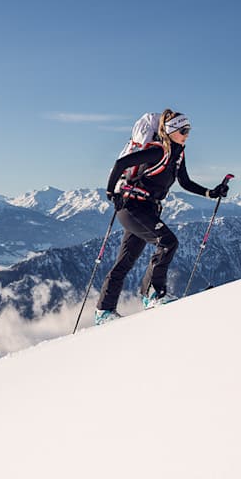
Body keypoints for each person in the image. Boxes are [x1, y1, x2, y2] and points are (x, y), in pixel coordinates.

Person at [94, 109, 230, 324]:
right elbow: (121, 164)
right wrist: (111, 193)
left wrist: (210, 193)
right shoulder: (158, 151)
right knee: (167, 242)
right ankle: (153, 294)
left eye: (189, 130)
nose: (187, 135)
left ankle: (104, 311)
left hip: (148, 209)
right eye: (183, 130)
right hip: (131, 208)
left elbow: (185, 182)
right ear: (172, 130)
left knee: (126, 260)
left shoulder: (178, 154)